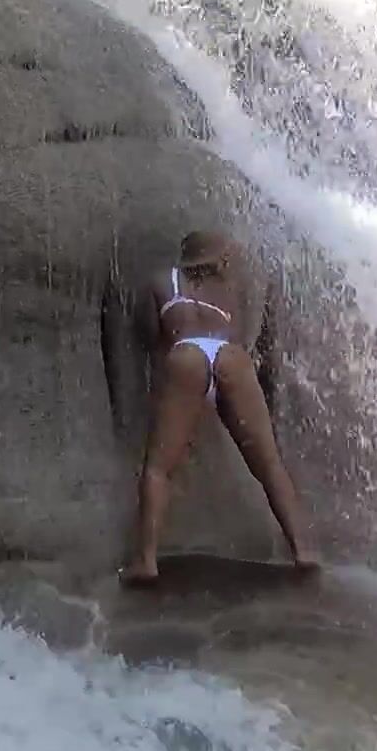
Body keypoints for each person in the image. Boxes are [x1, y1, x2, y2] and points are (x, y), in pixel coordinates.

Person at [119, 231, 321, 587]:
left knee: (158, 469)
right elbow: (239, 336)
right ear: (219, 259)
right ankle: (304, 550)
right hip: (230, 358)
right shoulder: (227, 290)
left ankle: (144, 560)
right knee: (270, 464)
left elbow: (148, 335)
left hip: (185, 356)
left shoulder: (159, 281)